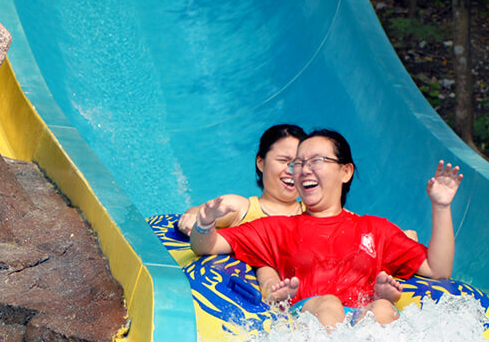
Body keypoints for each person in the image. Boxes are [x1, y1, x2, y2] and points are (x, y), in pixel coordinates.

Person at [188, 128, 462, 328]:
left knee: (381, 308)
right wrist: (204, 224)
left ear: (346, 172)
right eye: (299, 163)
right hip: (309, 320)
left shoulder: (375, 229)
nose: (304, 169)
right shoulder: (276, 229)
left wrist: (441, 207)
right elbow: (207, 246)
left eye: (316, 161)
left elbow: (438, 270)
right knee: (328, 303)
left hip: (361, 321)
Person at [175, 124, 306, 236]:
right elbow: (199, 212)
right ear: (261, 163)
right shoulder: (240, 209)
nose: (291, 170)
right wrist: (192, 218)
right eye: (283, 160)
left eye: (299, 163)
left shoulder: (317, 211)